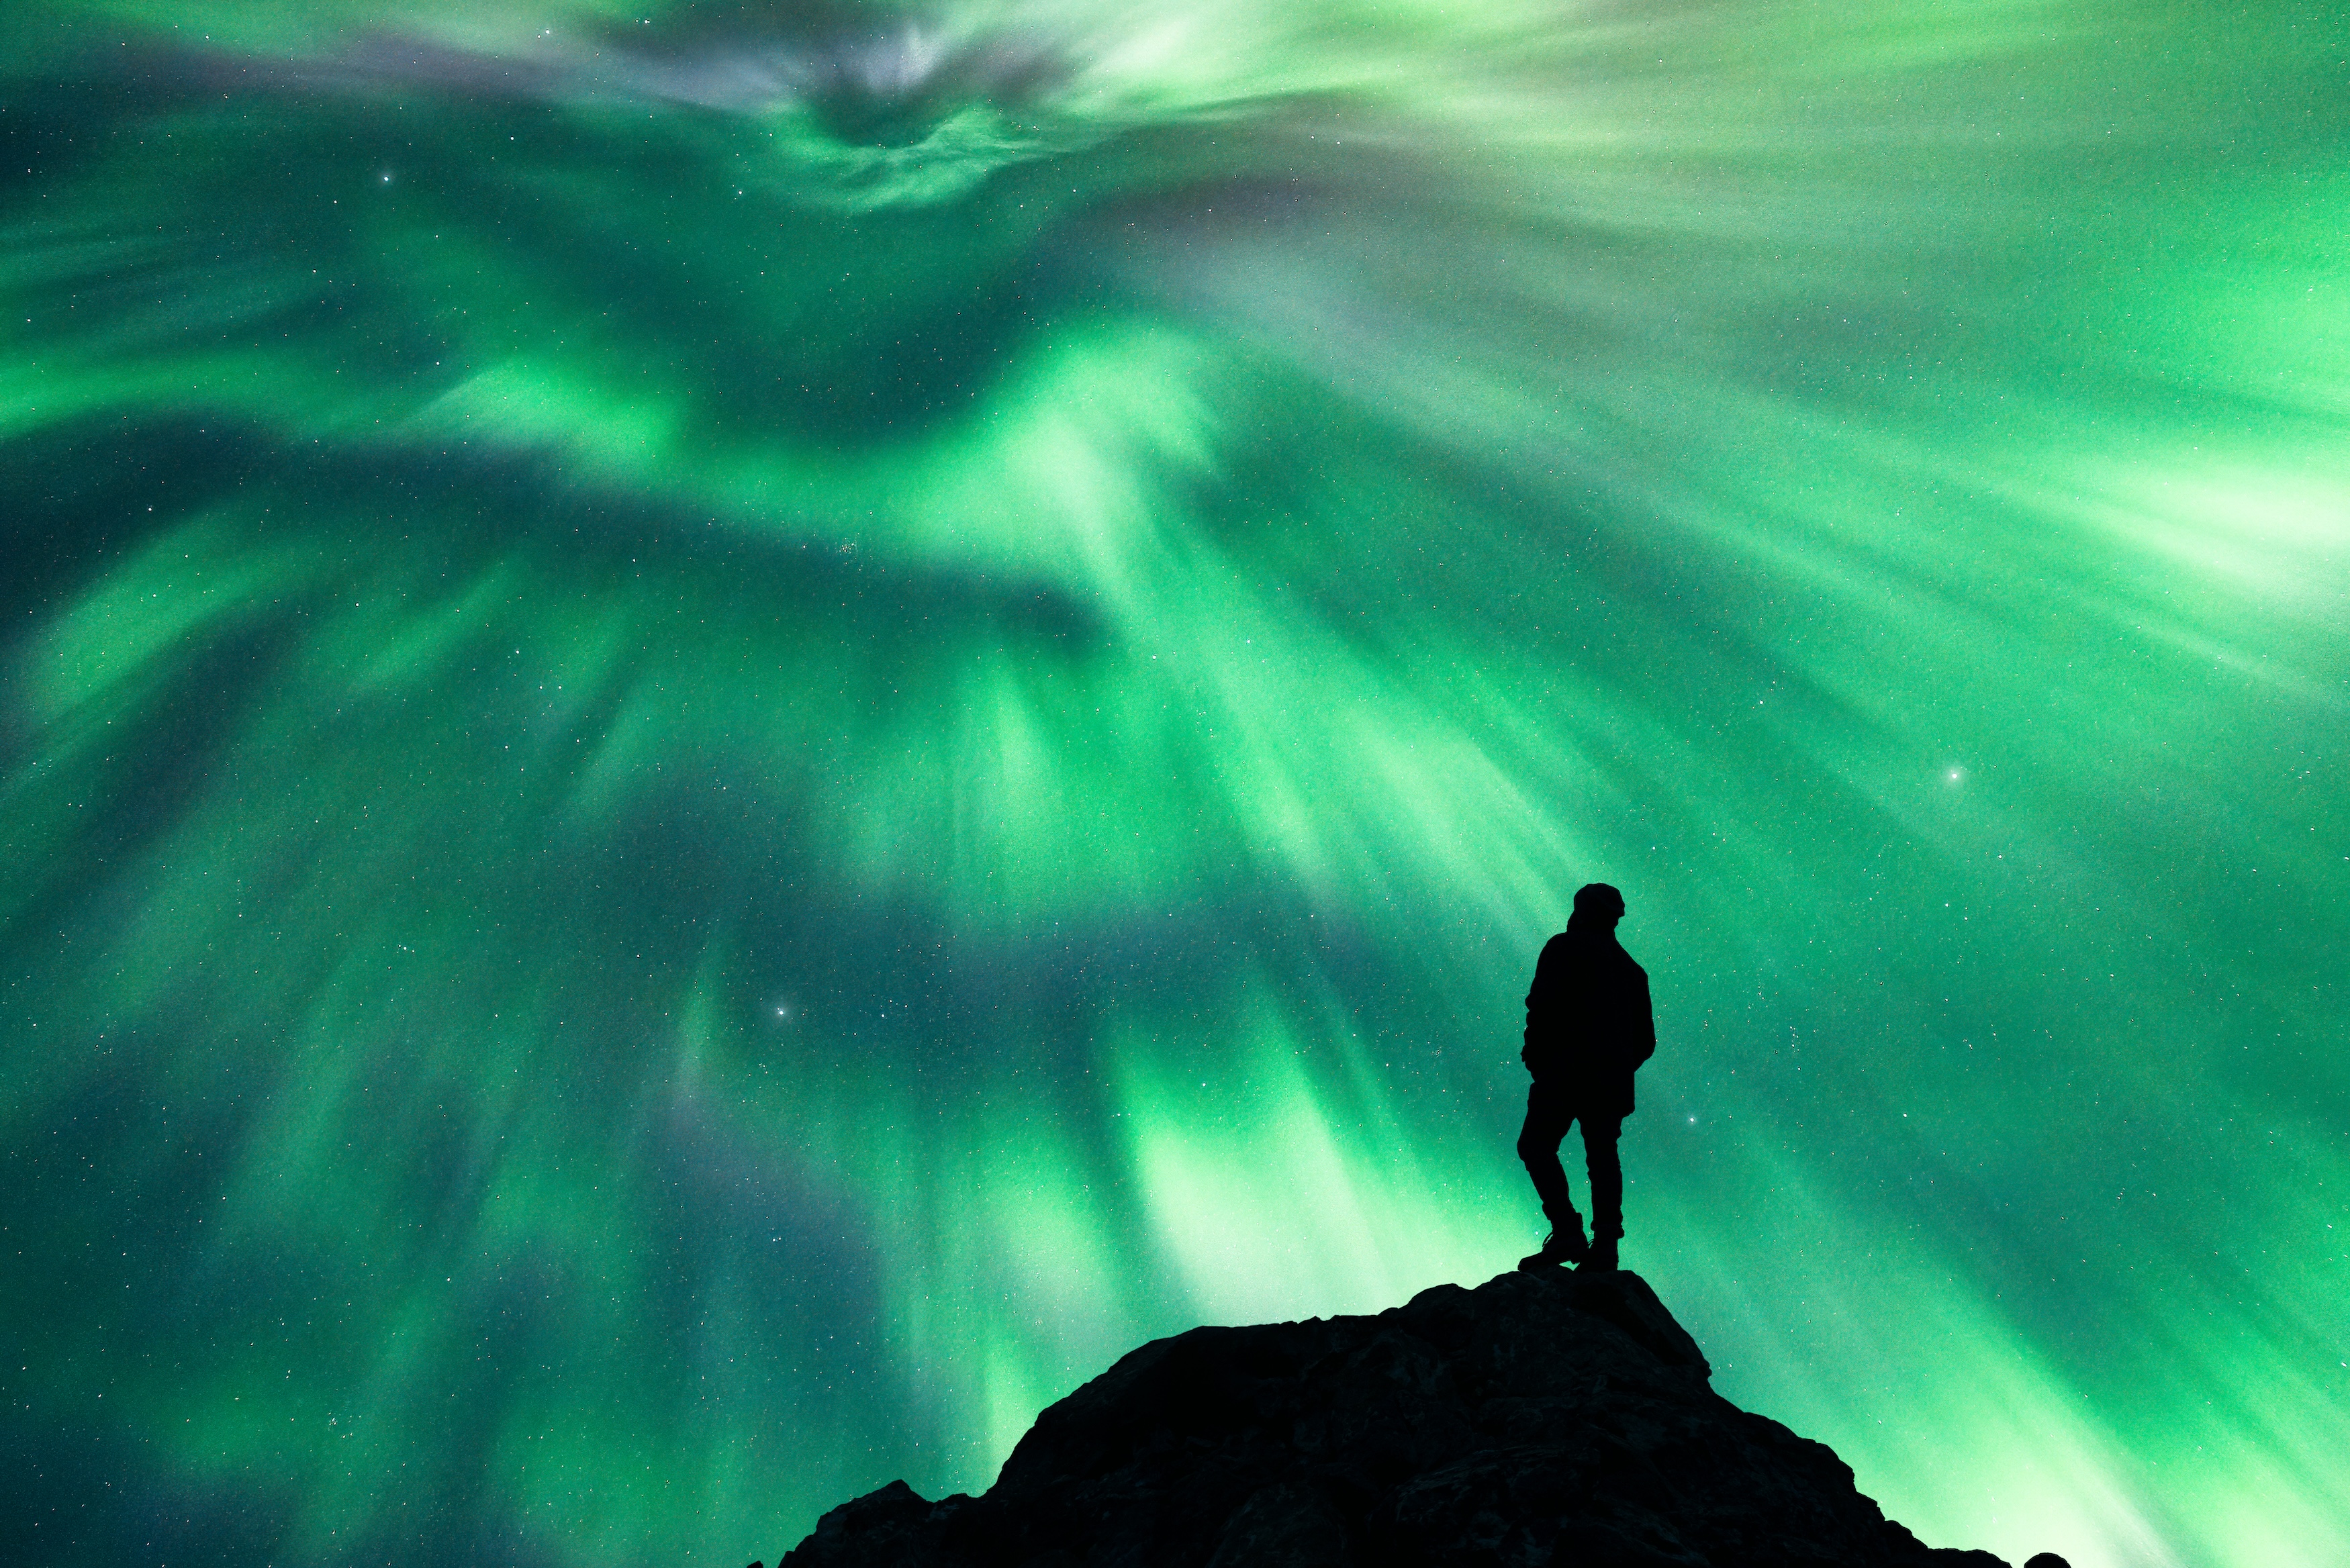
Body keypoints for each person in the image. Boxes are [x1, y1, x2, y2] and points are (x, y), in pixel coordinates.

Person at [1517, 882, 1654, 1272]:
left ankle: (1568, 1232)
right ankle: (1605, 1245)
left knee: (1536, 1146)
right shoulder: (1633, 972)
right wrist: (1617, 1065)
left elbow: (1541, 1006)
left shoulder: (1564, 947)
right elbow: (1646, 1041)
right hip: (1608, 1082)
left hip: (1563, 1072)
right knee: (1602, 1156)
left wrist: (1539, 1057)